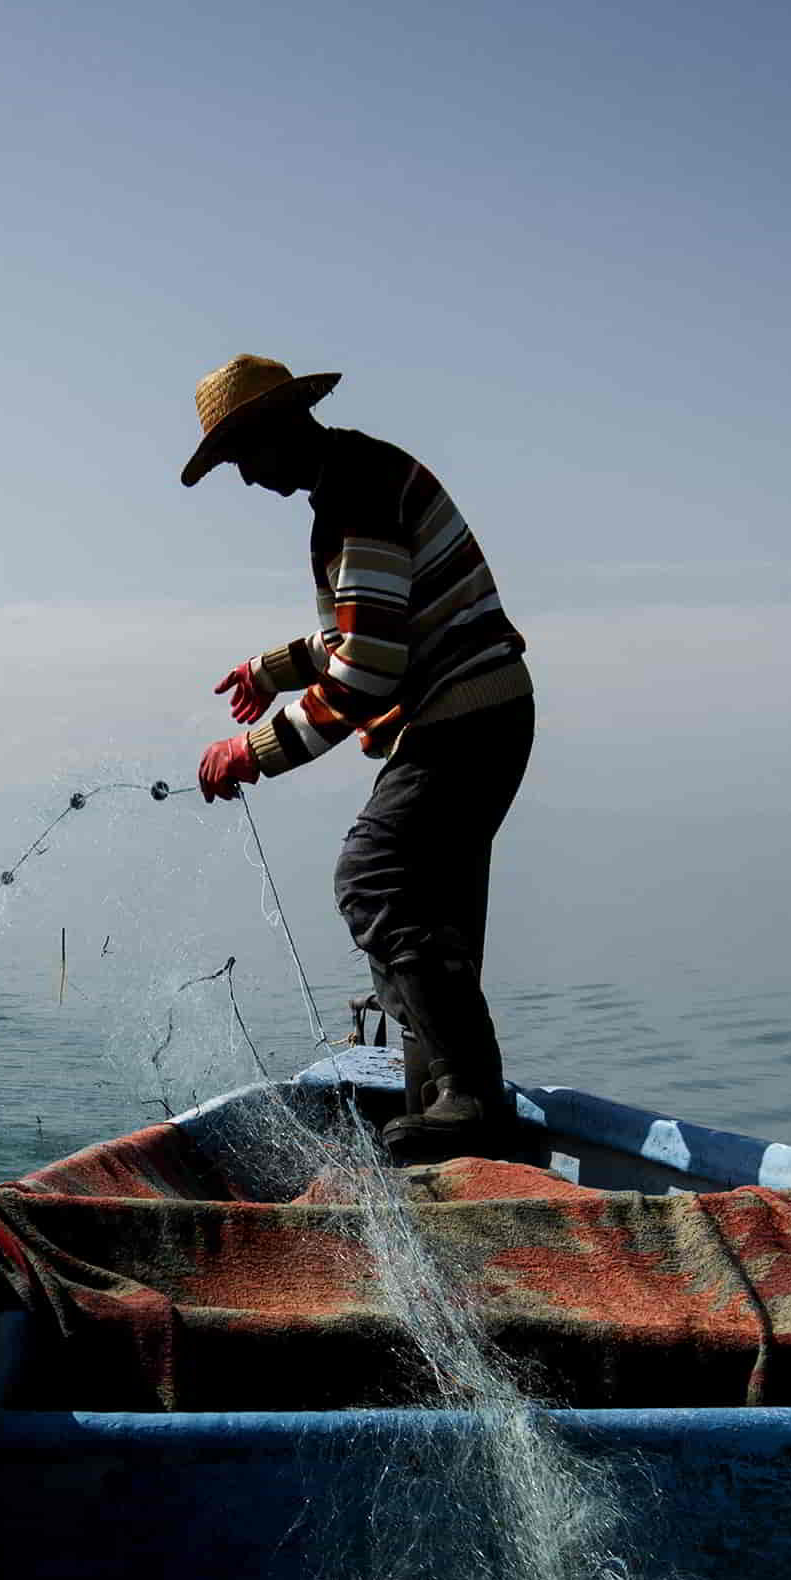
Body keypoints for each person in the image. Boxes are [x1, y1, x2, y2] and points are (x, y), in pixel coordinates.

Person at [183, 355, 535, 1164]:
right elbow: (368, 625)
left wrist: (255, 751)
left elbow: (370, 667)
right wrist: (268, 671)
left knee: (373, 877)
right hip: (480, 715)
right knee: (431, 918)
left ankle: (469, 1100)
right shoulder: (359, 476)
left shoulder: (356, 494)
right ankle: (452, 1125)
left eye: (241, 458)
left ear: (273, 432)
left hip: (462, 721)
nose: (242, 480)